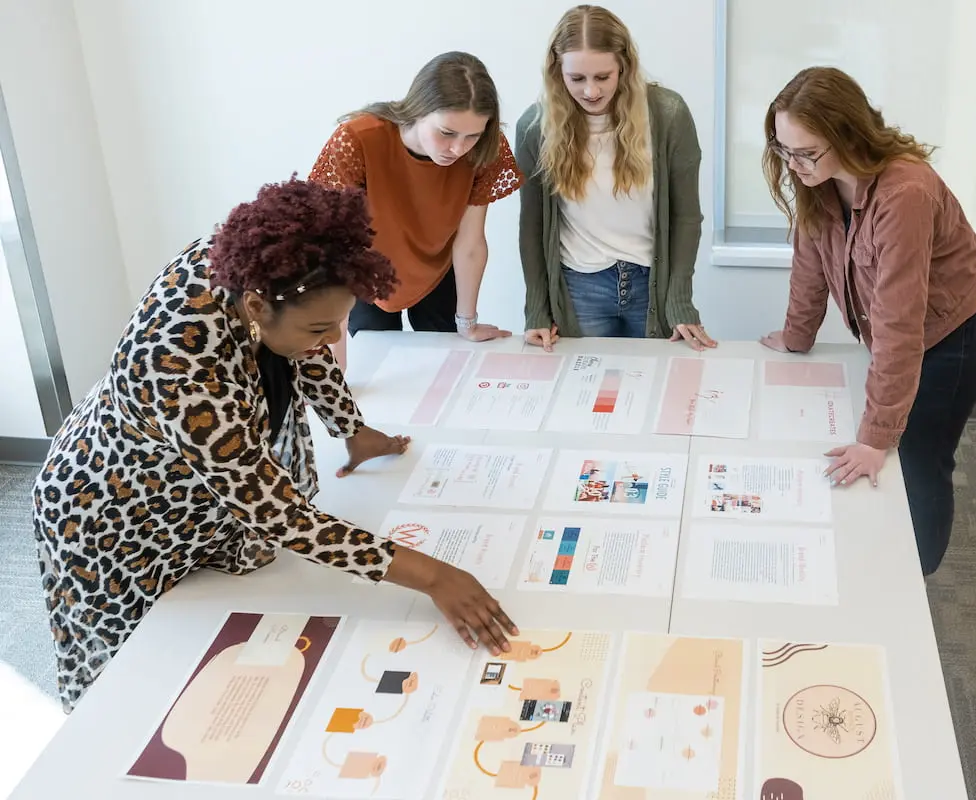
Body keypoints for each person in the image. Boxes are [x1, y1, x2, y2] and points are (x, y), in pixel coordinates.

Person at [30, 178, 518, 714]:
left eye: (340, 321)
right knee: (134, 689)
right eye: (322, 326)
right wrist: (434, 575)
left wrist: (350, 428)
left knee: (220, 643)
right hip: (112, 514)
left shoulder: (272, 275)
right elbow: (280, 516)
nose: (334, 338)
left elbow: (302, 345)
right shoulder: (180, 368)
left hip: (206, 489)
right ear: (257, 306)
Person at [758, 66, 976, 576]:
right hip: (905, 335)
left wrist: (876, 435)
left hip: (953, 338)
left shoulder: (904, 193)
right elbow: (810, 261)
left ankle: (917, 580)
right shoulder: (820, 179)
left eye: (805, 152)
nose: (792, 164)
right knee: (891, 452)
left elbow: (898, 322)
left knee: (920, 460)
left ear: (847, 135)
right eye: (783, 150)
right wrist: (796, 335)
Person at [516, 4, 716, 351]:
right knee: (584, 395)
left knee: (655, 393)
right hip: (579, 287)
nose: (591, 91)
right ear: (556, 70)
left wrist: (680, 298)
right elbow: (532, 224)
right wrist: (536, 308)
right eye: (576, 79)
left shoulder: (668, 115)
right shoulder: (536, 128)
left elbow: (686, 216)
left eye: (603, 77)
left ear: (624, 65)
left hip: (652, 284)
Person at [309, 50, 523, 349]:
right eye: (447, 133)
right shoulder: (358, 140)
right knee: (376, 359)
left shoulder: (486, 149)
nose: (458, 149)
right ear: (420, 108)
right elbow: (334, 249)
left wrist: (467, 322)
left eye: (472, 136)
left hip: (438, 267)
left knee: (445, 361)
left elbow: (471, 242)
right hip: (365, 272)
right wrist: (335, 356)